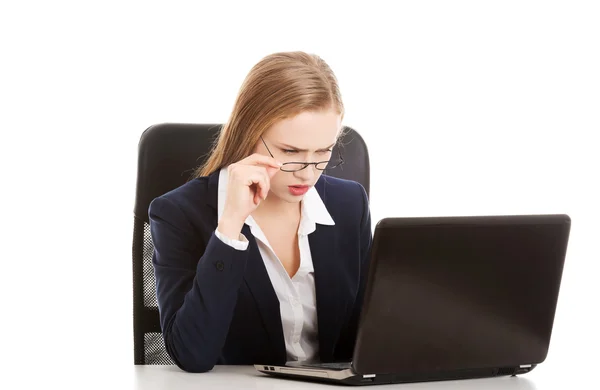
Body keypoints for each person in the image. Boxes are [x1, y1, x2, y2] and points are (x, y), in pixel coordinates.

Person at [149, 51, 372, 373]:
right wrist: (229, 227)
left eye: (324, 151)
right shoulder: (179, 212)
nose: (308, 174)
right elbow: (191, 354)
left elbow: (366, 329)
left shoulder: (349, 203)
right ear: (248, 133)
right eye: (290, 152)